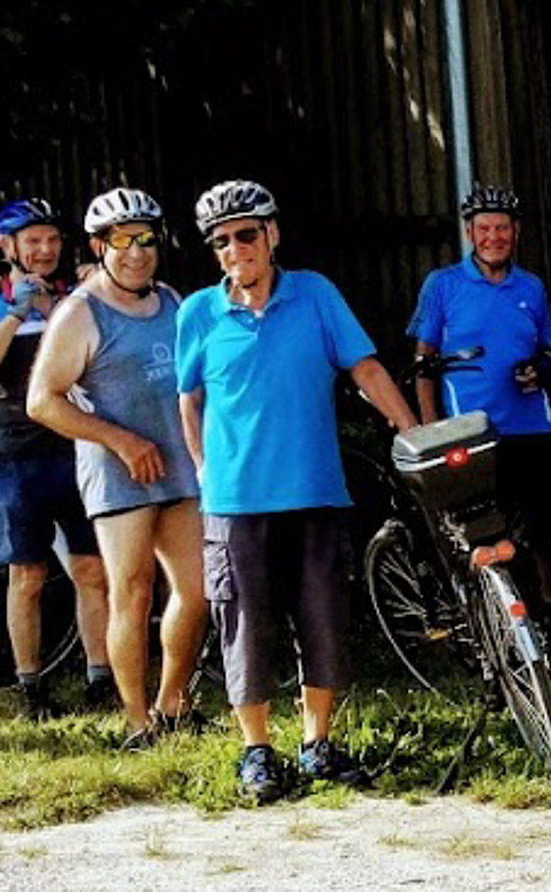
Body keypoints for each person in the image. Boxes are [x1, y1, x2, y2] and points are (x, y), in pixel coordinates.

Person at [177, 180, 418, 802]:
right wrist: (203, 467)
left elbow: (363, 368)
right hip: (235, 502)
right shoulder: (197, 313)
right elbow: (189, 397)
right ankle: (257, 751)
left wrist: (411, 430)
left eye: (247, 235)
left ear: (273, 235)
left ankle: (317, 744)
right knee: (244, 625)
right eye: (223, 242)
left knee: (324, 620)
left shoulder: (315, 294)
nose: (236, 250)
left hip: (315, 490)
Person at [26, 189, 208, 748]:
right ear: (100, 246)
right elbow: (42, 400)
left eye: (147, 239)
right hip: (118, 475)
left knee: (198, 591)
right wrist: (119, 440)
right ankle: (136, 721)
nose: (137, 252)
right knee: (132, 590)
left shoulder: (173, 301)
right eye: (123, 240)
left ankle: (172, 703)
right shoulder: (80, 312)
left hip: (180, 467)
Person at [0, 197, 111, 718]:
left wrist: (99, 288)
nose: (45, 251)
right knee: (28, 575)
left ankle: (100, 679)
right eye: (32, 241)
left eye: (52, 240)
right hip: (17, 456)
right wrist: (15, 314)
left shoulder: (78, 298)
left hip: (77, 447)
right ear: (7, 248)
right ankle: (30, 688)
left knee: (92, 569)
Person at [406, 185, 551, 606]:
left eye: (502, 228)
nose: (494, 237)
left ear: (516, 232)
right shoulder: (442, 285)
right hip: (471, 427)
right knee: (485, 525)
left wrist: (540, 369)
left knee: (541, 521)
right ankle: (498, 610)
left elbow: (547, 350)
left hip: (530, 421)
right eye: (484, 229)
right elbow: (424, 362)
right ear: (469, 234)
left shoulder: (531, 287)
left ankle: (550, 603)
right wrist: (431, 426)